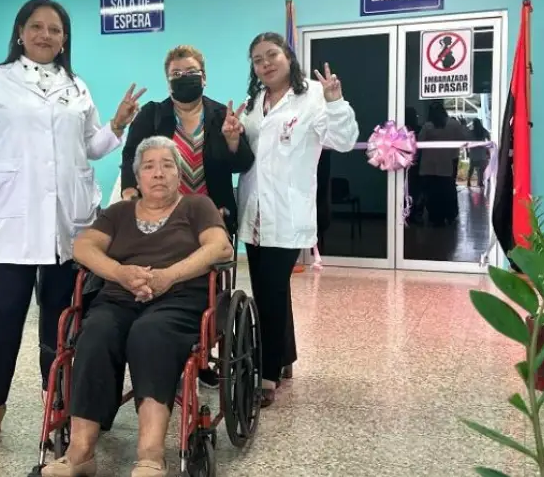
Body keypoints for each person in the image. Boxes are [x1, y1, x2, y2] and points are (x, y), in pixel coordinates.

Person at [0, 0, 146, 452]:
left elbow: (91, 146)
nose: (45, 35)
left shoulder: (76, 86)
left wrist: (117, 125)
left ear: (64, 39)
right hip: (16, 218)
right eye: (36, 27)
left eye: (54, 29)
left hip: (68, 222)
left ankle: (54, 402)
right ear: (20, 33)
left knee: (60, 321)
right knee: (6, 317)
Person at [41, 136, 233, 477]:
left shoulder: (197, 207)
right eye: (149, 166)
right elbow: (83, 246)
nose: (158, 173)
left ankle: (150, 454)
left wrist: (168, 276)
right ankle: (80, 452)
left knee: (150, 334)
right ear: (137, 177)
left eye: (167, 165)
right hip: (118, 297)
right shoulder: (119, 213)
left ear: (179, 174)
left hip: (178, 300)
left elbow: (221, 248)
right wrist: (120, 273)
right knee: (95, 333)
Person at [236, 32, 359, 407]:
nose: (266, 63)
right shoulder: (253, 104)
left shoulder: (314, 97)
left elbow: (344, 140)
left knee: (271, 292)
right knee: (267, 290)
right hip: (254, 213)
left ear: (288, 56)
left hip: (288, 214)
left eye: (272, 55)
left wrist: (336, 101)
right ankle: (284, 356)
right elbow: (246, 154)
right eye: (258, 59)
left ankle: (268, 374)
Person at [120, 45, 254, 389]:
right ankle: (164, 347)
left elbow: (243, 163)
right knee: (163, 274)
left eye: (190, 73)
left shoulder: (221, 115)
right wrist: (130, 194)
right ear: (168, 82)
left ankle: (201, 350)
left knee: (203, 284)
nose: (184, 79)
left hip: (211, 216)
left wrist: (233, 140)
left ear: (204, 77)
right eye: (176, 75)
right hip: (162, 216)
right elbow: (131, 157)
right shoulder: (153, 115)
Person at [417, 102, 468, 226]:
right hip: (446, 163)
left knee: (432, 194)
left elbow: (419, 141)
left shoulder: (427, 126)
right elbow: (463, 139)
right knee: (448, 191)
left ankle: (435, 218)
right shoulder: (453, 124)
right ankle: (450, 215)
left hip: (428, 166)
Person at [467, 118, 491, 188]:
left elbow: (467, 141)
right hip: (482, 151)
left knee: (471, 167)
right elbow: (488, 138)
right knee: (481, 168)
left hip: (473, 151)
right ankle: (480, 182)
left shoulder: (471, 132)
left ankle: (468, 181)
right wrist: (487, 149)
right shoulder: (483, 131)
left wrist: (467, 151)